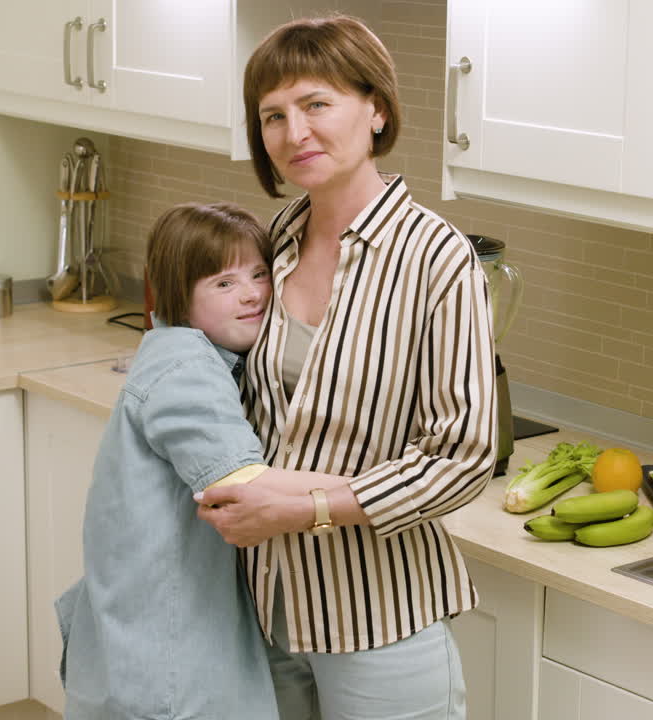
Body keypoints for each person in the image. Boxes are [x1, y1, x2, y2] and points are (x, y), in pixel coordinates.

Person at [195, 14, 498, 720]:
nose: (292, 132)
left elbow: (463, 458)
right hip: (264, 606)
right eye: (272, 115)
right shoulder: (276, 241)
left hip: (377, 618)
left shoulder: (436, 258)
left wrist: (302, 507)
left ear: (377, 110)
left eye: (315, 104)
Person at [54, 202, 283, 720]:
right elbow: (244, 486)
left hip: (139, 628)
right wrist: (371, 486)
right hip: (168, 647)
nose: (251, 293)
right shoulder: (186, 367)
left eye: (259, 273)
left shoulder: (174, 351)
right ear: (180, 296)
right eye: (223, 283)